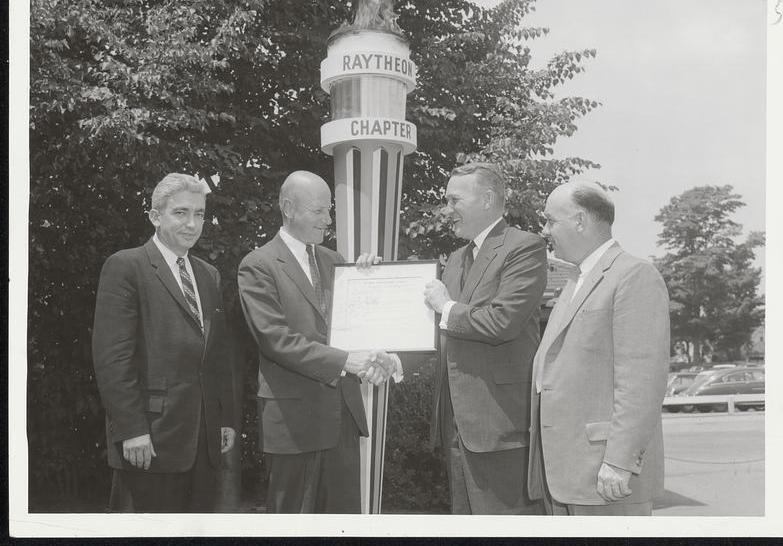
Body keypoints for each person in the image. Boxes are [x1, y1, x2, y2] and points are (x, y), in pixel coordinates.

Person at [237, 170, 397, 514]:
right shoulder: (258, 265)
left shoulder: (336, 261)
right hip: (294, 425)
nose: (327, 220)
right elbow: (275, 339)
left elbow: (356, 325)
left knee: (344, 528)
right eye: (318, 211)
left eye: (330, 211)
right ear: (288, 207)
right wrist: (344, 362)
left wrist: (370, 279)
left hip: (343, 421)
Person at [92, 173, 236, 513]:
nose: (192, 223)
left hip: (203, 443)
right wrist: (131, 430)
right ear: (156, 217)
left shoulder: (208, 274)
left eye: (199, 214)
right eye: (181, 213)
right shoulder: (126, 266)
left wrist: (224, 418)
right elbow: (113, 359)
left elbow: (217, 356)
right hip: (149, 441)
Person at [528, 180, 670, 515]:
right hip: (566, 474)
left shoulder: (635, 275)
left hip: (607, 478)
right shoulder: (577, 281)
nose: (545, 231)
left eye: (551, 221)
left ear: (579, 221)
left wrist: (620, 461)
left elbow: (641, 381)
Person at [423, 162, 547, 514]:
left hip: (500, 427)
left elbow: (501, 322)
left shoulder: (524, 247)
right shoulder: (457, 259)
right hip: (457, 428)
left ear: (488, 199)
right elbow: (440, 329)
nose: (447, 210)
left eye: (454, 200)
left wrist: (446, 307)